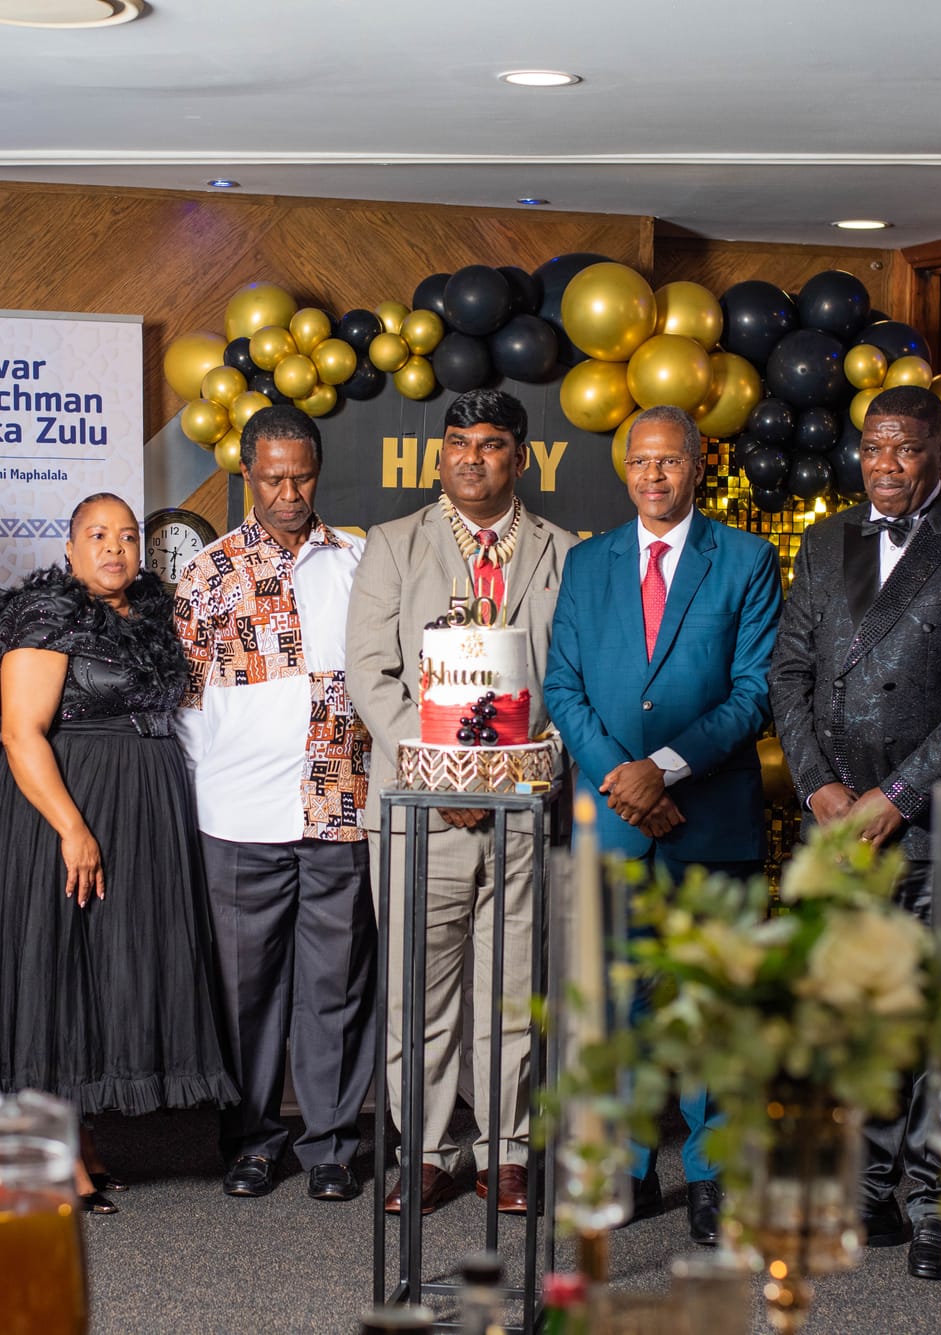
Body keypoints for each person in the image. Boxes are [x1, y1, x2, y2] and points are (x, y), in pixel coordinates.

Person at [768, 384, 941, 1278]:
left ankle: (936, 1206)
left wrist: (896, 796)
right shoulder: (825, 539)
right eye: (874, 446)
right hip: (841, 819)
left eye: (906, 448)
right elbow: (790, 672)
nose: (885, 464)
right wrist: (820, 788)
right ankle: (869, 1187)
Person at [544, 405, 781, 1243]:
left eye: (668, 461)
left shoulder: (746, 560)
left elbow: (755, 691)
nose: (652, 475)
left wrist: (666, 769)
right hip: (615, 822)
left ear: (697, 465)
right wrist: (624, 778)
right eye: (640, 461)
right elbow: (562, 685)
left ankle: (713, 1175)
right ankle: (630, 1166)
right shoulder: (588, 562)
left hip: (708, 820)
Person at [0, 492, 238, 1212]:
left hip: (140, 809)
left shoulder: (148, 615)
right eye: (97, 535)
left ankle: (80, 1142)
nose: (115, 548)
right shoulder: (46, 613)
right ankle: (54, 1156)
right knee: (57, 971)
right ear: (70, 546)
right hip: (66, 807)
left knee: (96, 974)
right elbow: (20, 732)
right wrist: (72, 828)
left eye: (126, 536)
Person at [347, 388, 577, 1214]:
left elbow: (574, 680)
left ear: (521, 456)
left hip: (522, 810)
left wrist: (523, 769)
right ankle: (427, 1149)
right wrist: (447, 775)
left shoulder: (564, 551)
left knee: (513, 987)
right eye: (457, 443)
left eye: (490, 444)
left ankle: (507, 1151)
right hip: (421, 810)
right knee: (419, 990)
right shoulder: (393, 545)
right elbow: (370, 672)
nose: (471, 458)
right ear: (440, 454)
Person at [174, 406, 376, 1203]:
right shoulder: (209, 571)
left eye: (302, 477)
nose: (289, 493)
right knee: (244, 991)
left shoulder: (360, 560)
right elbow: (184, 699)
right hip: (237, 814)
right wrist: (213, 784)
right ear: (247, 475)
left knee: (337, 984)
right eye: (273, 478)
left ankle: (331, 1145)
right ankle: (253, 1141)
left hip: (340, 804)